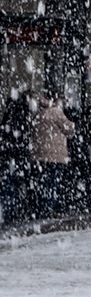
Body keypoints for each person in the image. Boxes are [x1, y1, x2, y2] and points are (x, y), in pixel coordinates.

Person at [31, 93, 74, 218]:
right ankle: (49, 209)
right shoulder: (56, 112)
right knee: (53, 182)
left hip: (39, 155)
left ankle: (41, 208)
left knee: (43, 182)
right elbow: (69, 128)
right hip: (55, 155)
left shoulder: (38, 114)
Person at [1, 92, 33, 225]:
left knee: (9, 183)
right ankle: (14, 211)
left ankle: (10, 210)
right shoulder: (23, 117)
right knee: (16, 182)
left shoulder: (8, 116)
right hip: (17, 155)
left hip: (9, 154)